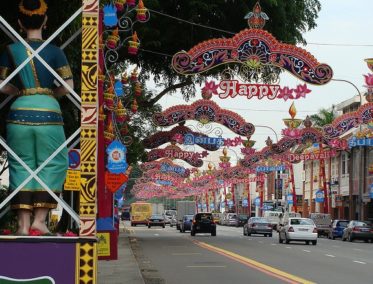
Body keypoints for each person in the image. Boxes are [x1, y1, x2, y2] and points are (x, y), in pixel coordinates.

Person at [0, 0, 73, 235]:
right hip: (49, 113)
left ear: (20, 23)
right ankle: (39, 221)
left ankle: (22, 224)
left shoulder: (11, 50)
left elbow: (1, 85)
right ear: (46, 21)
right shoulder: (55, 51)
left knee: (21, 164)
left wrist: (17, 91)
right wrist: (50, 95)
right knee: (53, 162)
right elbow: (68, 86)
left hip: (18, 112)